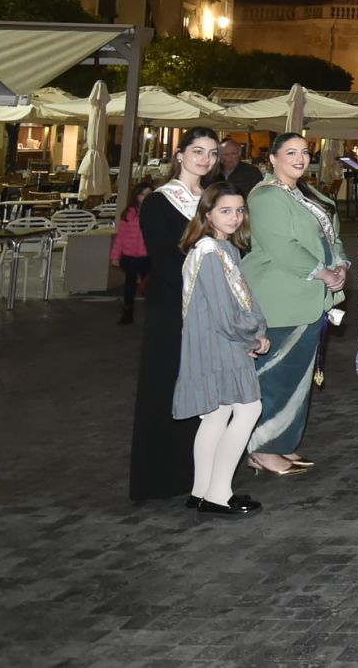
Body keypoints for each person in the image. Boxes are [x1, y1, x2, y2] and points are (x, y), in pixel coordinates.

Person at [243, 132, 348, 476]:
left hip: (310, 299)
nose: (300, 158)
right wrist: (323, 273)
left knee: (297, 380)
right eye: (291, 153)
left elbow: (332, 234)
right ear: (273, 158)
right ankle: (261, 448)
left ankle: (282, 443)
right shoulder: (266, 196)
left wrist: (343, 264)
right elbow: (282, 246)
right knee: (275, 377)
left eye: (304, 152)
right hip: (282, 297)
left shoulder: (308, 193)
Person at [129, 127, 219, 501]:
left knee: (206, 393)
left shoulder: (215, 200)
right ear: (180, 155)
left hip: (212, 308)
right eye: (197, 151)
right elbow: (163, 264)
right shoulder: (159, 202)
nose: (205, 159)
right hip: (173, 309)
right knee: (167, 387)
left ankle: (199, 474)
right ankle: (160, 477)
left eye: (212, 153)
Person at [172, 184, 269, 515]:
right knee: (248, 409)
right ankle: (218, 493)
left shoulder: (222, 249)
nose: (234, 217)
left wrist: (257, 329)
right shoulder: (212, 252)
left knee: (216, 415)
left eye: (239, 210)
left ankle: (201, 490)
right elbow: (225, 313)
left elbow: (241, 299)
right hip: (219, 344)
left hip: (213, 341)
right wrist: (252, 338)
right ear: (207, 214)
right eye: (225, 211)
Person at [111, 179, 154, 325]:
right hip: (129, 256)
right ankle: (127, 312)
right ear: (137, 196)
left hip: (147, 257)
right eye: (142, 194)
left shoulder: (155, 214)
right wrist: (115, 255)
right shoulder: (128, 214)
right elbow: (121, 237)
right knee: (129, 285)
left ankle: (152, 315)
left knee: (148, 287)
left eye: (149, 194)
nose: (145, 197)